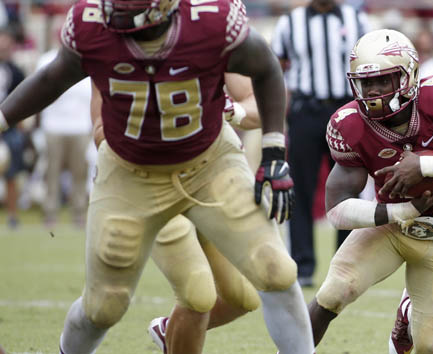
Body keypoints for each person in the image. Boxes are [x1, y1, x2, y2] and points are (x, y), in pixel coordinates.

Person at [0, 1, 315, 354]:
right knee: (104, 306)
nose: (112, 12)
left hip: (210, 162)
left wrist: (273, 150)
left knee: (275, 270)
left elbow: (267, 68)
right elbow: (52, 78)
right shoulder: (92, 23)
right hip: (130, 172)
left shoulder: (212, 22)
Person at [308, 29, 433, 353]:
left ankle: (407, 312)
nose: (372, 91)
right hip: (390, 226)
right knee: (332, 292)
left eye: (382, 81)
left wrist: (426, 166)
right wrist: (401, 211)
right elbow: (336, 208)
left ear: (408, 75)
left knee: (432, 347)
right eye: (365, 82)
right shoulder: (349, 124)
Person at [90, 73, 263, 353]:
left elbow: (257, 104)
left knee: (244, 297)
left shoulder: (210, 34)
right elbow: (100, 131)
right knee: (197, 295)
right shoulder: (114, 45)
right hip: (153, 183)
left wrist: (232, 110)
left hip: (207, 179)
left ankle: (168, 329)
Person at [270, 0, 370, 287]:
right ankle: (302, 267)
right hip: (305, 111)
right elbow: (275, 69)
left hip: (347, 110)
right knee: (300, 189)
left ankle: (347, 263)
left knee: (351, 187)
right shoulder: (290, 23)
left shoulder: (357, 19)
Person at [37, 48, 92, 228]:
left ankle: (79, 213)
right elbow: (40, 91)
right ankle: (50, 214)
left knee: (80, 173)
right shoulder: (47, 59)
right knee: (51, 172)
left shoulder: (86, 58)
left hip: (80, 126)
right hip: (54, 125)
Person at [0, 27, 24, 229]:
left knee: (11, 173)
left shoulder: (15, 70)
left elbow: (25, 99)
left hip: (9, 127)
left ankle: (13, 215)